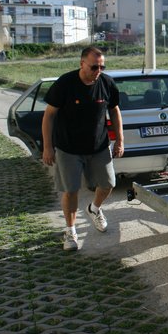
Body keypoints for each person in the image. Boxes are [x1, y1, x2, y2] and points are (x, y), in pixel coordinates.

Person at [42, 46, 124, 251]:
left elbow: (114, 111)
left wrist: (120, 141)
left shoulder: (106, 83)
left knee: (108, 184)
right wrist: (47, 147)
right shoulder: (65, 84)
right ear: (82, 64)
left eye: (102, 66)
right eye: (94, 66)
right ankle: (70, 232)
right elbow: (49, 115)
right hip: (68, 148)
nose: (99, 71)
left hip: (99, 146)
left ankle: (94, 209)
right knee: (71, 190)